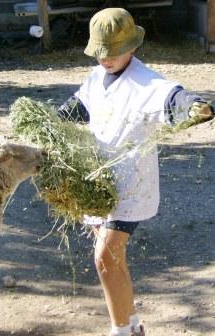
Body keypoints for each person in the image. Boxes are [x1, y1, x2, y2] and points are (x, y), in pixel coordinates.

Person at [58, 7, 214, 336]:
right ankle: (131, 326)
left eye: (113, 52)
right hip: (98, 183)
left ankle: (120, 332)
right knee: (113, 262)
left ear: (133, 46)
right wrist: (49, 123)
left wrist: (193, 105)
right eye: (101, 52)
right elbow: (78, 106)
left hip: (129, 185)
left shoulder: (146, 83)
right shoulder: (95, 77)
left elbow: (173, 97)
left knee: (104, 258)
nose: (106, 59)